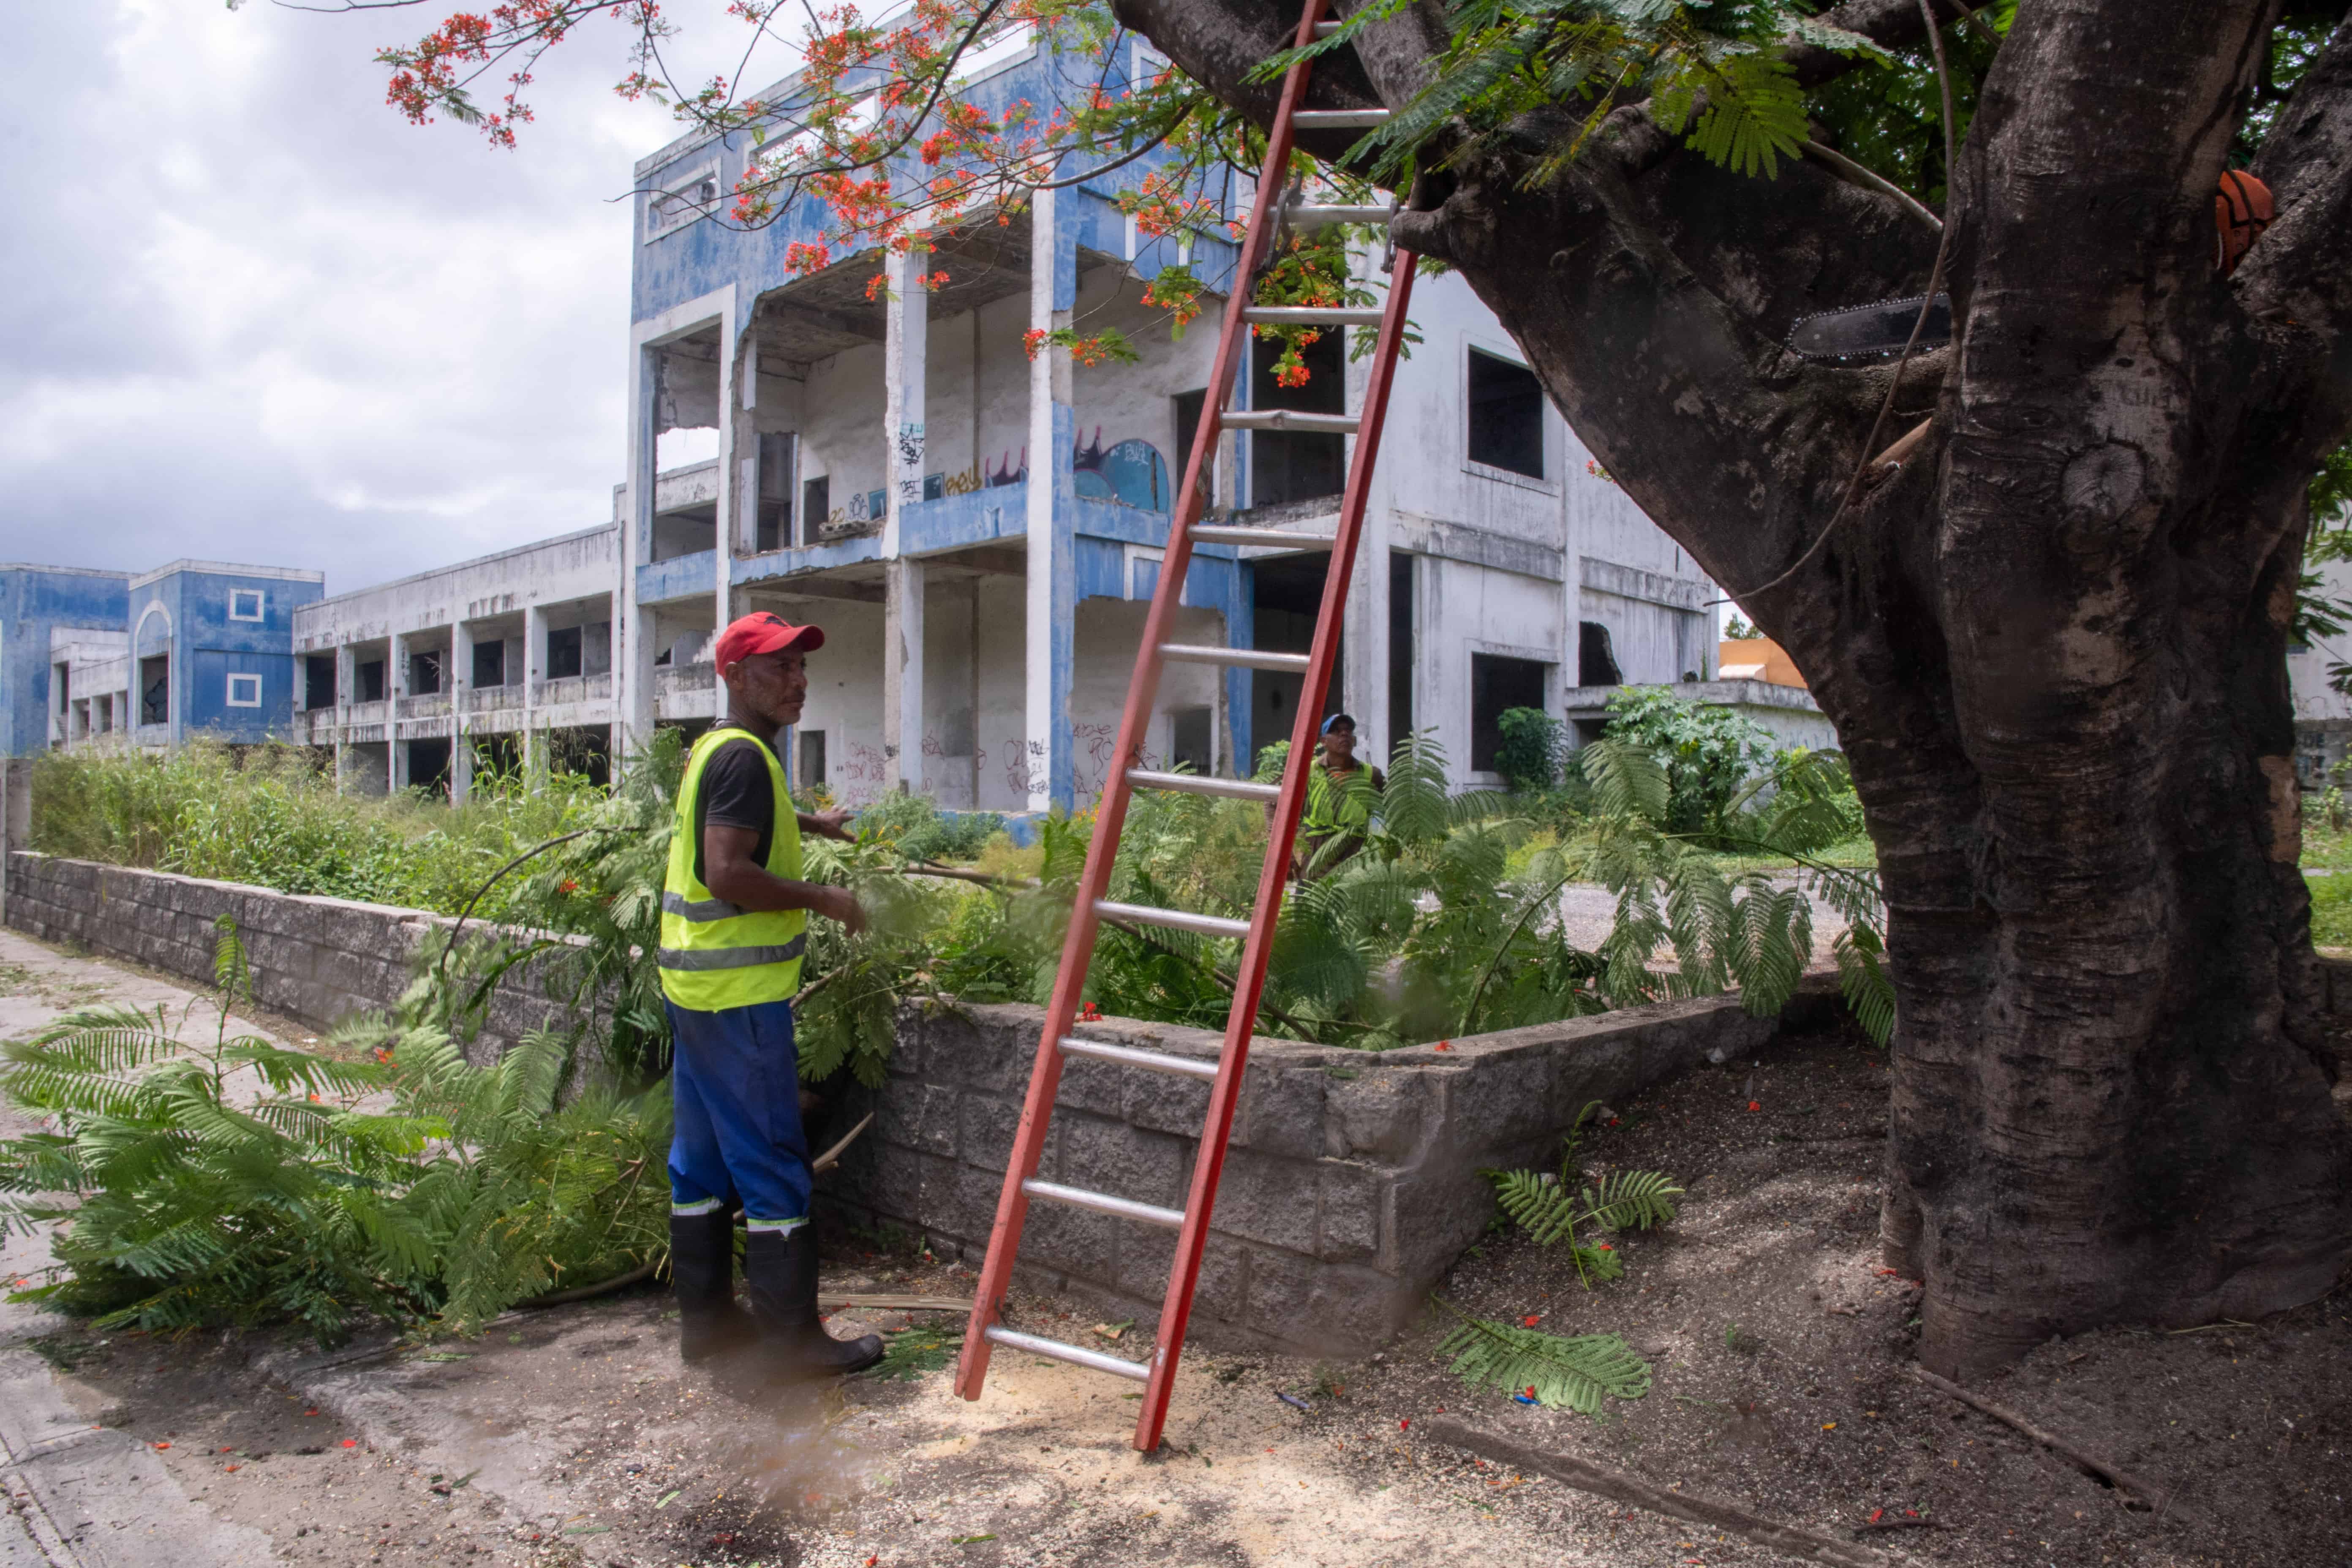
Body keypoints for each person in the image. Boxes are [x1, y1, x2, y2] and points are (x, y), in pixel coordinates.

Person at [660, 610, 884, 1379]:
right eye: (778, 668)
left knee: (698, 1163)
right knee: (772, 1162)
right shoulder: (746, 760)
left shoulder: (715, 750)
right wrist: (825, 898)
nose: (798, 682)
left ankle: (710, 1328)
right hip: (737, 999)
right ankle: (793, 1343)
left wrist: (811, 824)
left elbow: (733, 822)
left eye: (800, 668)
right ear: (734, 675)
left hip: (692, 992)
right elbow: (726, 871)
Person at [1293, 712, 1385, 879]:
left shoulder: (1372, 775)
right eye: (1336, 731)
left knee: (1350, 902)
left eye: (1348, 731)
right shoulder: (1307, 771)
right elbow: (1275, 806)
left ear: (1355, 741)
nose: (1344, 734)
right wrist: (1287, 856)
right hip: (1317, 851)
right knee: (1308, 903)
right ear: (1324, 742)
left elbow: (1393, 809)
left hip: (1354, 851)